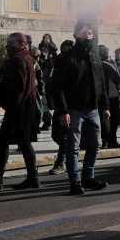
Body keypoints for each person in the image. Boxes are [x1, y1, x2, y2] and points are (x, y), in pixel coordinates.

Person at [51, 21, 110, 195]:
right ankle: (75, 182)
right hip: (74, 109)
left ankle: (88, 177)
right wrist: (62, 110)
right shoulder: (66, 58)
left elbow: (101, 82)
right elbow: (58, 86)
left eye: (90, 34)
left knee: (95, 145)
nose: (88, 36)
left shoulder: (95, 55)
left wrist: (105, 105)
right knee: (73, 147)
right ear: (76, 35)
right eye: (85, 34)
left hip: (93, 109)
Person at [0, 32, 40, 191]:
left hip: (19, 107)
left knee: (9, 141)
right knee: (19, 142)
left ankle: (1, 179)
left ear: (21, 44)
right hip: (22, 106)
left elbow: (19, 88)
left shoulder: (18, 60)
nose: (7, 46)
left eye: (10, 43)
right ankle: (28, 178)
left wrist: (10, 107)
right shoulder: (22, 58)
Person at [47, 39, 75, 176]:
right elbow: (53, 83)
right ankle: (67, 154)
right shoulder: (58, 62)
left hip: (71, 106)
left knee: (65, 136)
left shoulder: (73, 62)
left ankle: (61, 162)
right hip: (60, 104)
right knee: (56, 135)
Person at [98, 44, 120, 149]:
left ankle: (112, 140)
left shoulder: (110, 63)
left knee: (115, 119)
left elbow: (117, 78)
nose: (107, 53)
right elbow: (117, 78)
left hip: (114, 95)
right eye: (105, 52)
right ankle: (106, 141)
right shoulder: (103, 64)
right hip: (106, 96)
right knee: (106, 120)